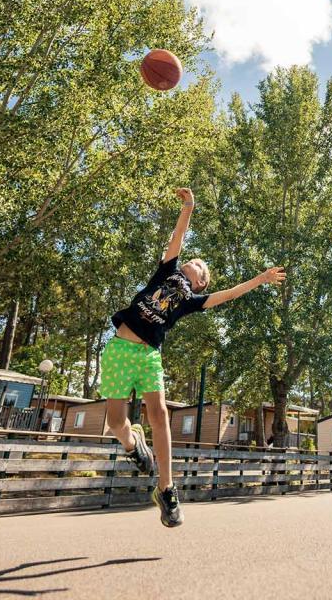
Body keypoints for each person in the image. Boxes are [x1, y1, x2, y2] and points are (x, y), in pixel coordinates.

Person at [101, 187, 285, 527]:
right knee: (115, 423)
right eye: (195, 261)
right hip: (117, 350)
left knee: (158, 415)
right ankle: (132, 446)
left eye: (201, 267)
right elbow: (179, 235)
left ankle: (167, 490)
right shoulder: (166, 270)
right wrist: (189, 205)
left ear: (199, 284)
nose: (196, 262)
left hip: (147, 356)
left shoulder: (192, 302)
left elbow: (230, 294)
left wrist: (260, 279)